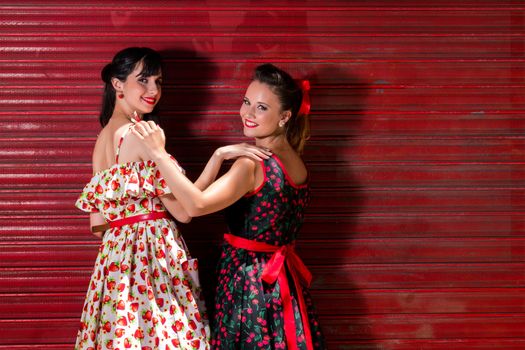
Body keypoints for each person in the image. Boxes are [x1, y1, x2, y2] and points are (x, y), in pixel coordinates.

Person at [74, 47, 270, 349]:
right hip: (150, 256)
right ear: (117, 83)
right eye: (143, 80)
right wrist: (219, 156)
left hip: (114, 262)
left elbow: (98, 223)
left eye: (158, 82)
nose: (153, 90)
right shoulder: (141, 134)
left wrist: (218, 156)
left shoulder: (103, 137)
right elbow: (184, 211)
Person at [132, 63, 326, 349]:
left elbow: (195, 206)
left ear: (285, 116)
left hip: (249, 282)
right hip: (283, 282)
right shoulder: (296, 161)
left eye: (261, 107)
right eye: (246, 102)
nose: (247, 113)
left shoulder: (251, 164)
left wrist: (157, 153)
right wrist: (221, 154)